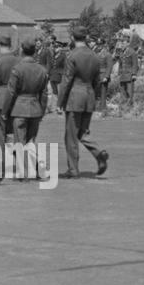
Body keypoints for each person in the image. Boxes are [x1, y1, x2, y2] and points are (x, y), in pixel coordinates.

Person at [57, 30, 108, 178]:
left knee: (71, 135)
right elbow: (97, 81)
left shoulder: (72, 56)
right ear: (86, 38)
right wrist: (93, 95)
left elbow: (66, 81)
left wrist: (60, 102)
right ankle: (99, 153)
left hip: (74, 97)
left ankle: (73, 170)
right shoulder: (95, 56)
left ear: (73, 38)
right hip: (88, 96)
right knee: (83, 132)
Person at [0, 36, 50, 181]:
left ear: (22, 50)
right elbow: (44, 94)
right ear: (35, 51)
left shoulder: (18, 69)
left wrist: (5, 111)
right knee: (31, 141)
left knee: (19, 142)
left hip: (20, 107)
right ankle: (40, 170)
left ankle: (23, 173)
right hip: (35, 107)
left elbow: (10, 92)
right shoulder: (41, 69)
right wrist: (42, 110)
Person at [116, 35, 140, 105]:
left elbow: (135, 64)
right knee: (123, 92)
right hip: (122, 75)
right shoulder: (121, 52)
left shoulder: (132, 52)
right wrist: (119, 73)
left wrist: (134, 74)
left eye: (124, 42)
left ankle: (129, 108)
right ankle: (123, 107)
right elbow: (120, 64)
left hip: (129, 76)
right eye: (122, 42)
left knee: (130, 93)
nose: (122, 44)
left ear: (128, 43)